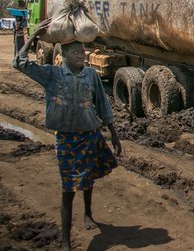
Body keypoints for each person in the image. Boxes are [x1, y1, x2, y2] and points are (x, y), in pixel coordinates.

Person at [13, 25, 121, 251]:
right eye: (75, 53)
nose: (81, 56)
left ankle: (88, 214)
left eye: (83, 52)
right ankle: (65, 240)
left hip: (90, 134)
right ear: (63, 56)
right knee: (68, 189)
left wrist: (113, 134)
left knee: (88, 179)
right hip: (66, 140)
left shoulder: (91, 75)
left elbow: (102, 104)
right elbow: (19, 62)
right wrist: (32, 35)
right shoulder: (51, 74)